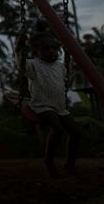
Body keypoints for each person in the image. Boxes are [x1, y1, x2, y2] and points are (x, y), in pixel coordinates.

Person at [15, 25, 82, 176]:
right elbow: (20, 63)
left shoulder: (59, 66)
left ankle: (70, 165)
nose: (51, 51)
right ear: (36, 52)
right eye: (46, 49)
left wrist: (68, 55)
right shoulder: (33, 65)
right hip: (42, 105)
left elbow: (66, 72)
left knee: (76, 133)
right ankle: (48, 160)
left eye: (53, 49)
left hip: (60, 107)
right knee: (57, 129)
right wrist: (19, 46)